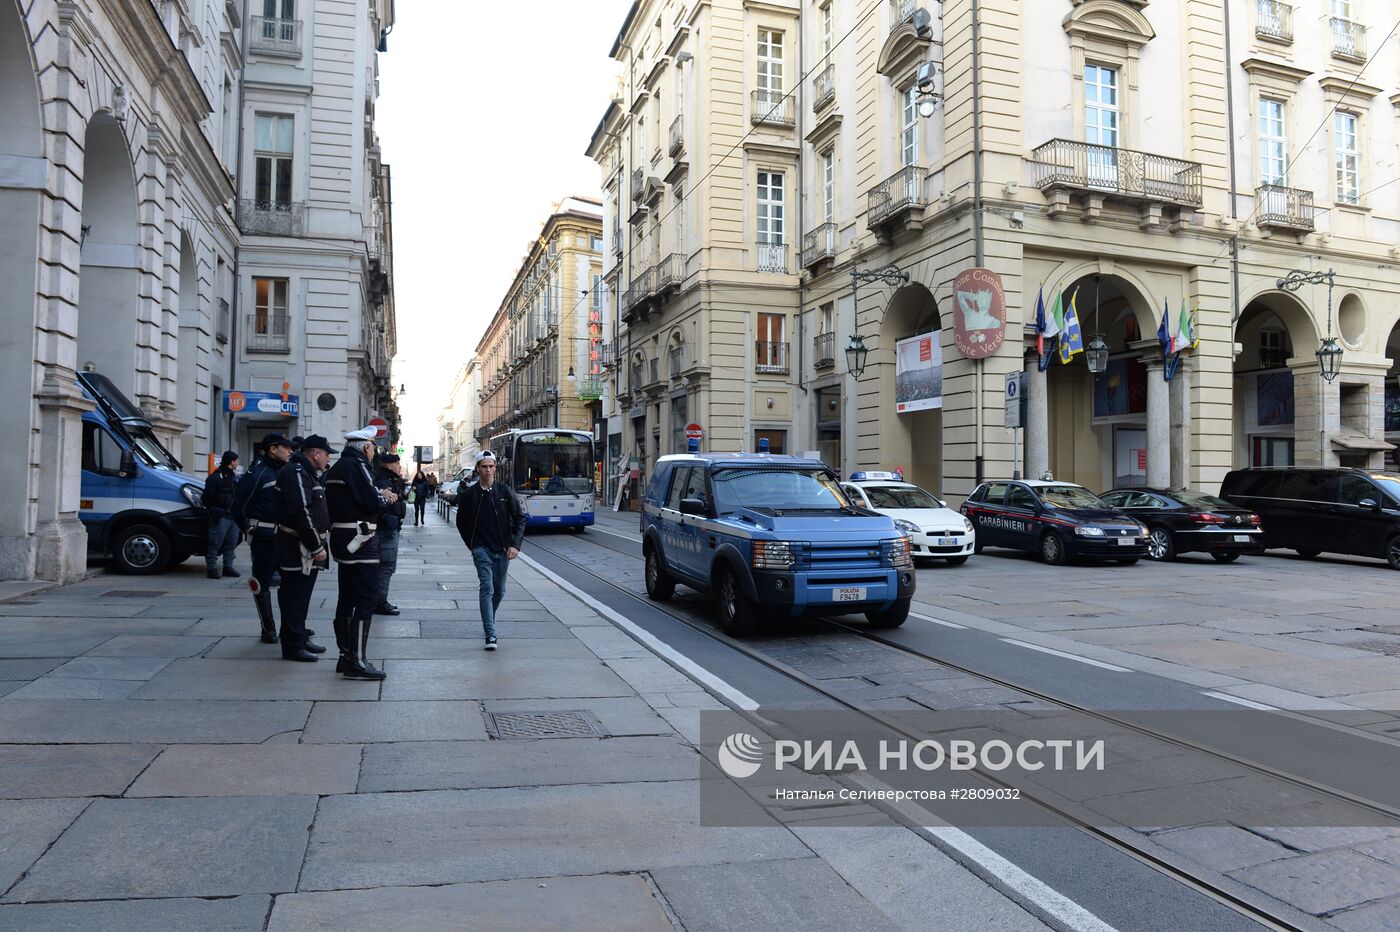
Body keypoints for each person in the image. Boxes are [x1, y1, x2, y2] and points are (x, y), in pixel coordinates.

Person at [232, 433, 319, 648]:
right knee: (262, 582)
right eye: (285, 447)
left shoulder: (286, 470)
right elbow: (238, 507)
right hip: (266, 537)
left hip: (287, 537)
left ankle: (295, 630)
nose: (291, 451)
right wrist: (249, 529)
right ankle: (268, 626)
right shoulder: (258, 473)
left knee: (293, 585)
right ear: (272, 449)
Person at [324, 427, 398, 680]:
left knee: (347, 596)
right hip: (361, 539)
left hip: (342, 538)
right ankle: (356, 660)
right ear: (365, 447)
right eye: (372, 448)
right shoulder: (357, 466)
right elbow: (370, 502)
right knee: (368, 596)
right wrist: (386, 499)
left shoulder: (337, 467)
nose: (373, 452)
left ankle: (345, 655)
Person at [454, 450, 525, 650]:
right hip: (481, 549)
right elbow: (461, 522)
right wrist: (473, 545)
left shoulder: (504, 492)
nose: (488, 470)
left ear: (495, 467)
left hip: (502, 549)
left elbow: (520, 518)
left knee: (499, 591)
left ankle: (489, 619)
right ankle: (490, 634)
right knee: (487, 587)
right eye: (484, 466)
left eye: (491, 466)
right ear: (478, 469)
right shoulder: (469, 494)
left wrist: (515, 545)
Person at [274, 435, 333, 662]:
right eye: (326, 453)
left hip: (303, 545)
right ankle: (292, 646)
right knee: (294, 597)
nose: (327, 458)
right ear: (315, 454)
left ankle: (299, 637)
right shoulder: (297, 473)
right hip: (297, 546)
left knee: (302, 596)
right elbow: (301, 511)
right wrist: (316, 546)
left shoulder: (305, 472)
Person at [373, 452, 407, 615]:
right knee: (386, 566)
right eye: (397, 464)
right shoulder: (385, 481)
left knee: (385, 566)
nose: (399, 467)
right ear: (388, 465)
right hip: (386, 529)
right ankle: (380, 602)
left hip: (389, 527)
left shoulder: (389, 479)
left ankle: (378, 600)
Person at [203, 451, 241, 579]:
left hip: (232, 516)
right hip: (221, 515)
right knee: (215, 543)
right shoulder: (216, 477)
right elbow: (207, 497)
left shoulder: (234, 477)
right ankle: (212, 568)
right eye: (236, 460)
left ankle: (228, 567)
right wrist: (214, 509)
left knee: (231, 543)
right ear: (231, 461)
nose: (237, 463)